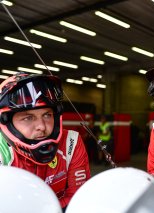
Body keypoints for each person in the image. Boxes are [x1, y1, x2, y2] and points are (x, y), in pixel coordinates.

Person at [0, 73, 91, 211]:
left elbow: (78, 200)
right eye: (28, 118)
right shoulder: (2, 154)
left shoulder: (71, 142)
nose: (41, 126)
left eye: (47, 115)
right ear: (6, 121)